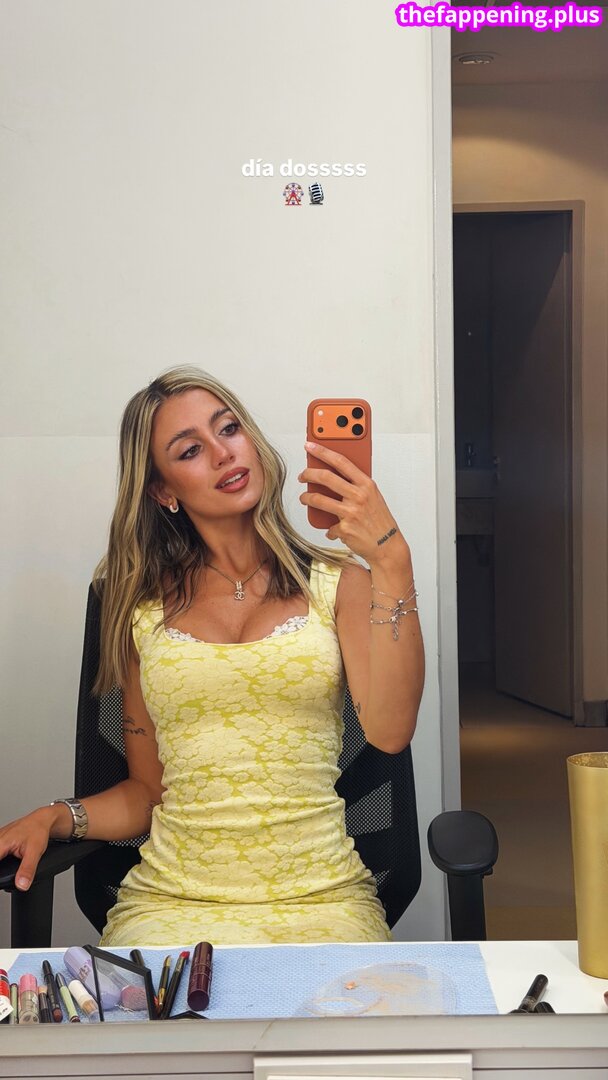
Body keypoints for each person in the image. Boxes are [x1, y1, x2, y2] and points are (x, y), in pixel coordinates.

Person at [0, 366, 424, 945]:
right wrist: (57, 815)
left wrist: (391, 561)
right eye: (191, 449)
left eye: (229, 429)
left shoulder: (339, 583)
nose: (224, 453)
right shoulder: (139, 608)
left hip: (321, 898)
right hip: (171, 900)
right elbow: (149, 793)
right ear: (163, 491)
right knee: (143, 1005)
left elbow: (391, 732)